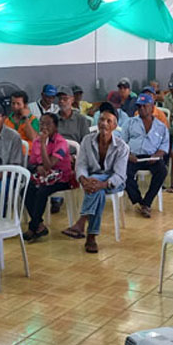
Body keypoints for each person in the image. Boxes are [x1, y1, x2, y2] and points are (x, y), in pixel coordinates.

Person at [62, 105, 128, 253]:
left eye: (108, 121)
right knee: (96, 190)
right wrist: (83, 180)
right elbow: (81, 165)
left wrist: (103, 184)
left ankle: (82, 222)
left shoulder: (122, 147)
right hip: (92, 182)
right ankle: (90, 237)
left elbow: (120, 175)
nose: (104, 123)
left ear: (115, 125)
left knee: (96, 182)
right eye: (102, 119)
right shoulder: (87, 140)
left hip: (113, 182)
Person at [22, 113, 73, 240]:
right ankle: (39, 225)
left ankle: (33, 227)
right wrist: (37, 168)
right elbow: (32, 163)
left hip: (62, 178)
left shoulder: (61, 142)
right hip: (44, 177)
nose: (44, 127)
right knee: (25, 189)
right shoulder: (36, 141)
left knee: (42, 192)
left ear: (55, 127)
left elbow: (49, 165)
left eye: (48, 124)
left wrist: (43, 144)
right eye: (42, 123)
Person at [117, 94, 169, 218]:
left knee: (162, 171)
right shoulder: (129, 123)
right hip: (133, 156)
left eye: (144, 106)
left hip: (152, 157)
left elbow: (164, 146)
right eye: (139, 106)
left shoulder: (161, 126)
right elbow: (121, 143)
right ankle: (139, 201)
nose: (141, 109)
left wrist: (156, 155)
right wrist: (128, 155)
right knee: (124, 172)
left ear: (152, 107)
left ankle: (147, 202)